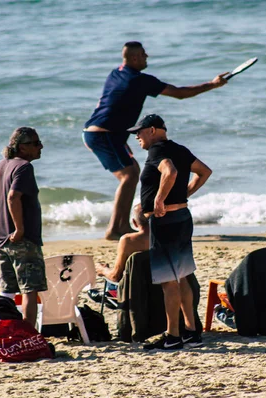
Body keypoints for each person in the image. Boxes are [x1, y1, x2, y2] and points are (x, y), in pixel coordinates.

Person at [83, 41, 228, 241]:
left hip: (98, 132)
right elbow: (180, 93)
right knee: (129, 175)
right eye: (143, 54)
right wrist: (213, 84)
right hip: (105, 134)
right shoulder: (140, 81)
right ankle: (115, 229)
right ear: (134, 58)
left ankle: (119, 226)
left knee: (132, 173)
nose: (147, 57)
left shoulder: (115, 73)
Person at [129, 114, 212, 350]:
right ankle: (191, 332)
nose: (136, 136)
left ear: (153, 130)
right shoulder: (180, 149)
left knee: (168, 281)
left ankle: (173, 336)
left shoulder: (157, 151)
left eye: (139, 131)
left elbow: (170, 171)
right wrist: (184, 194)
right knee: (183, 275)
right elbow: (204, 171)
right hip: (183, 217)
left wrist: (158, 200)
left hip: (165, 222)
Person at [0, 127, 47, 327]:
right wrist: (19, 229)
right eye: (35, 143)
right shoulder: (24, 167)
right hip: (22, 240)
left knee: (7, 290)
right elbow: (13, 197)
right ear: (22, 148)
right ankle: (28, 332)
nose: (40, 146)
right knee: (29, 290)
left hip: (2, 239)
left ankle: (6, 331)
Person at [96, 203, 150, 283]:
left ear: (134, 223)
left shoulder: (127, 240)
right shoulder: (167, 237)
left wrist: (102, 270)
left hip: (136, 291)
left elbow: (116, 276)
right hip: (162, 292)